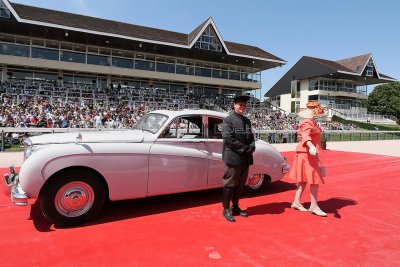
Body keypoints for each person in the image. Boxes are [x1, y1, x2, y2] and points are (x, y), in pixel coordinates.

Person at [289, 101, 327, 217]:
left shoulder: (310, 122)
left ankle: (296, 202)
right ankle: (314, 206)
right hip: (306, 154)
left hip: (307, 153)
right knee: (314, 179)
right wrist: (311, 147)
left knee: (303, 180)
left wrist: (314, 151)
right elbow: (306, 136)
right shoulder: (308, 122)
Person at [221, 95, 255, 222]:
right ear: (234, 105)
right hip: (233, 158)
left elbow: (251, 137)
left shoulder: (247, 121)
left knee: (240, 185)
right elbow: (228, 139)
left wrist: (252, 146)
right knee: (229, 185)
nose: (243, 107)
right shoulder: (228, 120)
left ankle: (235, 207)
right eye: (240, 105)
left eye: (245, 105)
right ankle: (225, 209)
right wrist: (244, 149)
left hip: (245, 158)